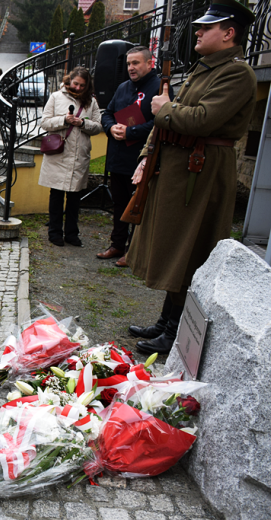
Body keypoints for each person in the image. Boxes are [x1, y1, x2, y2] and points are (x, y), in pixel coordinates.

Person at [126, 0, 256, 355]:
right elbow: (180, 116)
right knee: (174, 248)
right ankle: (167, 321)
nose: (197, 32)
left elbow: (202, 119)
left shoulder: (236, 73)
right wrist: (145, 157)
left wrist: (163, 109)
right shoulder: (207, 68)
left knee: (189, 250)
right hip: (181, 167)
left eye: (207, 27)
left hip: (202, 173)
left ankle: (176, 330)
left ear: (229, 34)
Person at [98, 46, 162, 267]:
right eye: (128, 64)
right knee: (119, 204)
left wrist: (131, 132)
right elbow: (107, 113)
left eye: (135, 63)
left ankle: (133, 251)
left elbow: (161, 123)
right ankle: (117, 244)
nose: (131, 68)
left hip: (140, 159)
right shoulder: (123, 87)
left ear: (149, 63)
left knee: (137, 205)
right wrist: (111, 128)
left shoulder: (160, 88)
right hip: (118, 156)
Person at [38, 66, 101, 247]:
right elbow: (44, 122)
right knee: (56, 195)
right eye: (75, 84)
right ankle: (55, 232)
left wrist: (82, 123)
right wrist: (64, 120)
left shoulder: (92, 102)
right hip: (60, 154)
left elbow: (97, 126)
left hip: (79, 155)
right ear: (69, 81)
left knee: (75, 198)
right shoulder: (56, 97)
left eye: (82, 85)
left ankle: (72, 234)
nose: (79, 88)